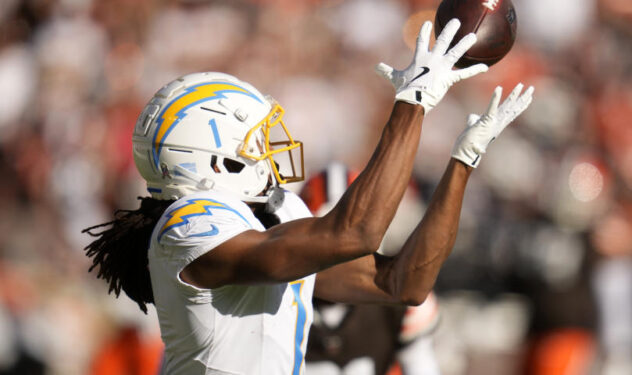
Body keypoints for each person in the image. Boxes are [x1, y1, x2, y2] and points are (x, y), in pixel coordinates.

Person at [83, 19, 534, 375]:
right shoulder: (186, 228)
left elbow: (402, 284)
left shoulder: (271, 214)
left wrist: (463, 162)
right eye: (254, 140)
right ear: (216, 161)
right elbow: (354, 232)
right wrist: (412, 102)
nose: (269, 148)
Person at [300, 162, 441, 375]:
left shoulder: (402, 303)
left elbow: (421, 367)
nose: (343, 250)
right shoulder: (280, 296)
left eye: (354, 235)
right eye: (331, 236)